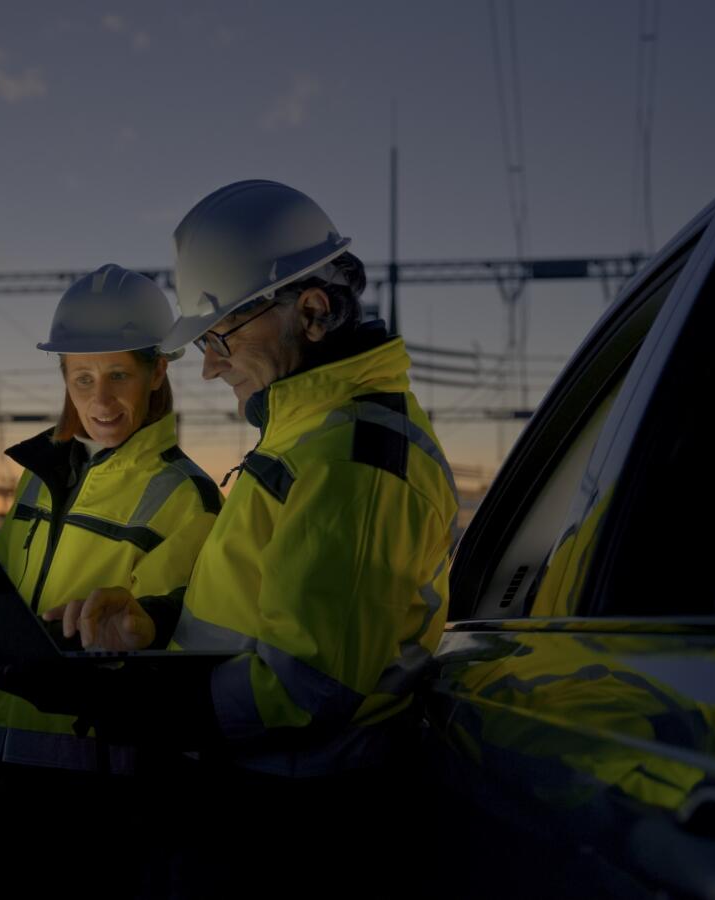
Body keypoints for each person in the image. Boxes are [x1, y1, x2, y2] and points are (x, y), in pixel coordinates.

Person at [23, 181, 460, 894]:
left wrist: (141, 705)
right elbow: (261, 610)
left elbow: (303, 686)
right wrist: (155, 624)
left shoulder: (352, 463)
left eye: (219, 335)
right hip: (262, 804)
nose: (210, 364)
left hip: (295, 827)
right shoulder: (308, 439)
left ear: (312, 313)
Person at [0, 263, 221, 899]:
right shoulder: (36, 478)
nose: (99, 401)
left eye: (117, 376)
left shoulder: (185, 497)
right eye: (82, 378)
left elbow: (176, 653)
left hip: (103, 792)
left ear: (158, 371)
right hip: (2, 768)